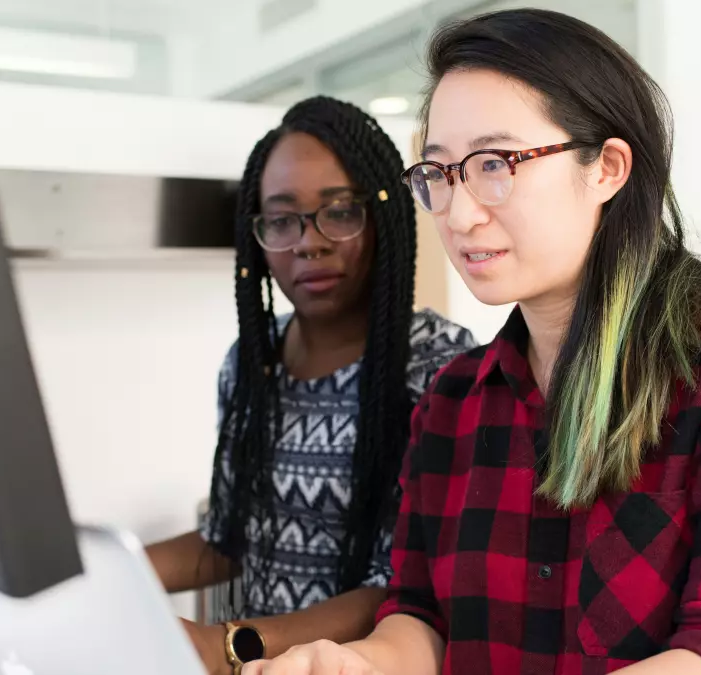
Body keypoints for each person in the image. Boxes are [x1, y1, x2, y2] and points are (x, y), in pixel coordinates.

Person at [245, 9, 701, 675]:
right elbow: (420, 615)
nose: (459, 212)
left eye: (494, 163)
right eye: (441, 173)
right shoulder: (452, 401)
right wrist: (355, 662)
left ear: (608, 168)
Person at [145, 96, 477, 675]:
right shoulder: (252, 363)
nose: (309, 241)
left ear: (383, 218)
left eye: (340, 212)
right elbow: (229, 539)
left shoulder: (439, 367)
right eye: (281, 219)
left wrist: (228, 644)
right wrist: (100, 574)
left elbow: (402, 586)